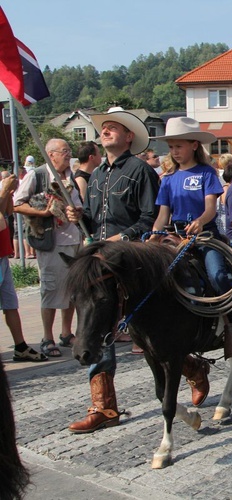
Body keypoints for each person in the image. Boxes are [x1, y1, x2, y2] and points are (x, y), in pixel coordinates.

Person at [65, 107, 162, 433]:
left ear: (128, 136)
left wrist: (122, 239)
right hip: (100, 264)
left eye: (112, 128)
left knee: (151, 329)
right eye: (103, 128)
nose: (105, 131)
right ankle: (104, 407)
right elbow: (92, 222)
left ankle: (190, 367)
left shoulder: (140, 171)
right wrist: (77, 216)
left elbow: (149, 219)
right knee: (96, 322)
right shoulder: (96, 177)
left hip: (132, 261)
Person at [151, 118, 232, 358]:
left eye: (179, 146)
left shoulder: (206, 173)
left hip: (206, 236)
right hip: (175, 237)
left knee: (218, 275)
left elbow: (211, 207)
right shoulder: (167, 178)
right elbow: (162, 215)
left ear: (195, 145)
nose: (175, 152)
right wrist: (153, 239)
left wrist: (199, 221)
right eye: (171, 147)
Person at [14, 138, 83, 358]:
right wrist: (43, 213)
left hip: (73, 239)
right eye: (64, 151)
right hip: (50, 242)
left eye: (69, 150)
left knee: (72, 290)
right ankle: (47, 337)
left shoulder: (71, 176)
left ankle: (65, 333)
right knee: (51, 290)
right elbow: (17, 203)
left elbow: (79, 205)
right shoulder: (39, 175)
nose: (68, 154)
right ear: (50, 154)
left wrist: (78, 214)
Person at [0, 174, 47, 362]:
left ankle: (20, 347)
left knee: (11, 304)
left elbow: (6, 212)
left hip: (2, 253)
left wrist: (9, 192)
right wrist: (4, 190)